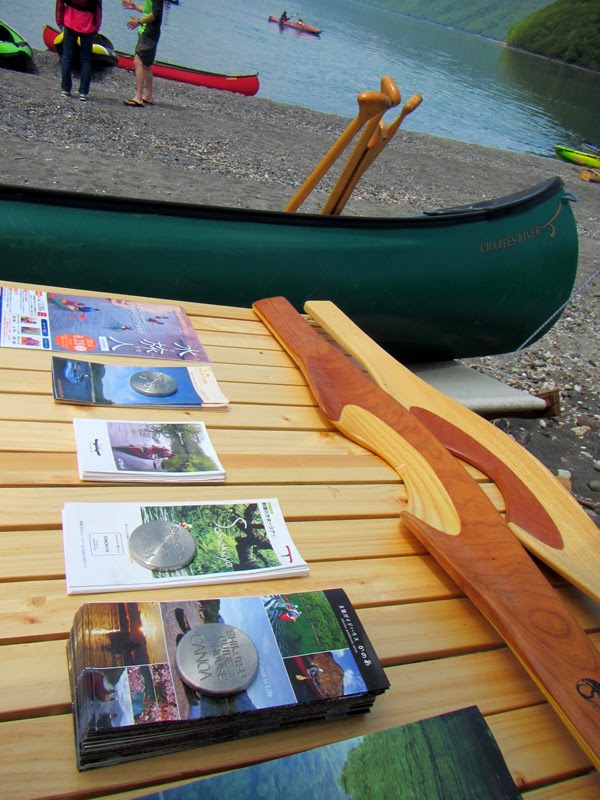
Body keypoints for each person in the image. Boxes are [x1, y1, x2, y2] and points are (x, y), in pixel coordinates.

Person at [55, 0, 103, 101]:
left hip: (70, 19)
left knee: (67, 56)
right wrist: (97, 27)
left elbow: (60, 3)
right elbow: (98, 7)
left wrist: (59, 20)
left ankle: (65, 89)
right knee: (86, 60)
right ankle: (83, 92)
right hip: (88, 22)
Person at [122, 0, 164, 107]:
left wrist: (139, 21)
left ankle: (138, 97)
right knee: (146, 64)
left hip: (148, 32)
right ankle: (148, 95)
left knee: (138, 61)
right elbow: (148, 11)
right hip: (150, 32)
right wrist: (135, 6)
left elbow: (156, 14)